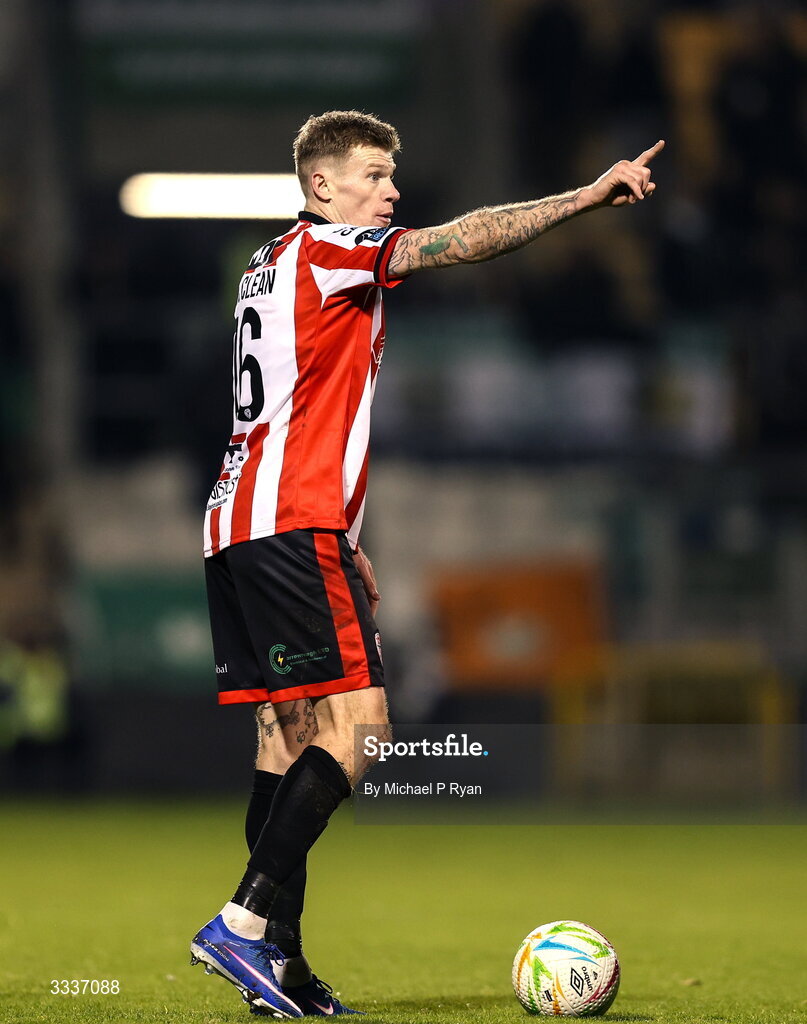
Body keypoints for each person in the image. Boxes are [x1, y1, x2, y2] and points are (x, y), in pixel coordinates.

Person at [190, 110, 664, 1018]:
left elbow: (297, 401)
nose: (391, 191)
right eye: (374, 174)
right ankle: (241, 928)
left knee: (286, 740)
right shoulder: (332, 250)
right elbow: (462, 241)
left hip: (240, 523)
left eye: (391, 176)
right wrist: (585, 196)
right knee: (362, 728)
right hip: (290, 520)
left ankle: (276, 966)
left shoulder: (267, 265)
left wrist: (345, 533)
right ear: (321, 185)